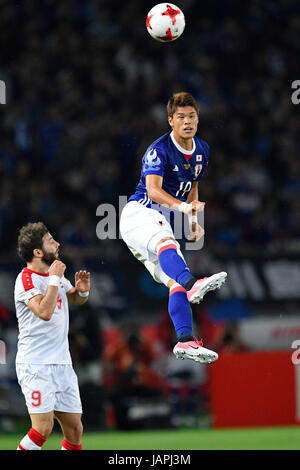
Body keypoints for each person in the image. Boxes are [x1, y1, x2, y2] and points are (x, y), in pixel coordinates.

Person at [120, 92, 227, 364]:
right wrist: (182, 209)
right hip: (139, 214)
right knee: (170, 249)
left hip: (155, 224)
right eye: (181, 117)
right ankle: (192, 284)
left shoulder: (202, 150)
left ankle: (185, 340)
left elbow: (193, 185)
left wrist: (194, 223)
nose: (187, 121)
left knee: (172, 281)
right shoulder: (159, 150)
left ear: (198, 119)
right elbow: (153, 191)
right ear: (170, 121)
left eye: (192, 116)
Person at [14, 222, 90, 450]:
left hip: (62, 363)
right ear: (38, 252)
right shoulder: (26, 279)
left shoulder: (52, 275)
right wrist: (55, 278)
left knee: (75, 429)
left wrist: (82, 290)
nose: (57, 244)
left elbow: (75, 299)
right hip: (36, 364)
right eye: (50, 241)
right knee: (42, 428)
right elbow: (45, 312)